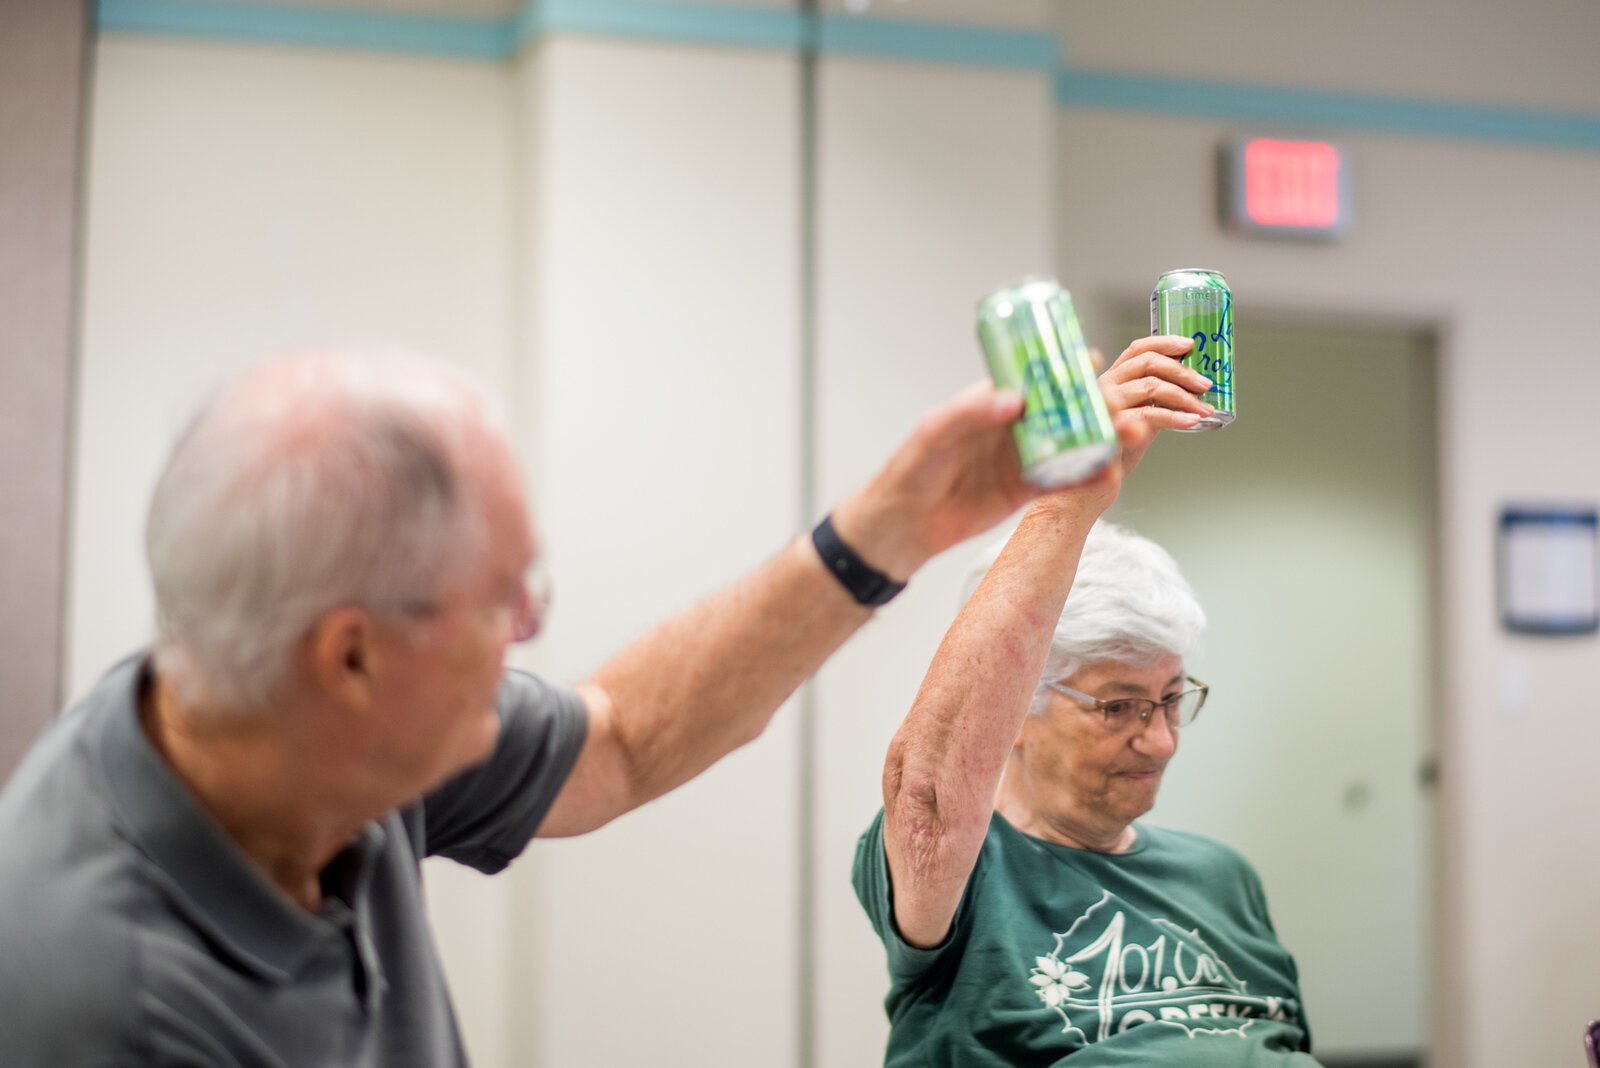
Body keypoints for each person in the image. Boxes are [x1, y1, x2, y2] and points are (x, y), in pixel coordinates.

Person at [0, 336, 1193, 1067]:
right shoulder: (111, 1004)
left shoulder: (296, 735)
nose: (531, 627)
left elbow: (623, 739)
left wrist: (889, 530)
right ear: (349, 658)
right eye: (498, 601)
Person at [852, 347, 1319, 1065]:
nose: (1161, 741)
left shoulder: (1222, 879)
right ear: (1015, 714)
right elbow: (927, 799)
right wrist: (1072, 493)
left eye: (1170, 700)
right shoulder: (973, 875)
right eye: (1119, 707)